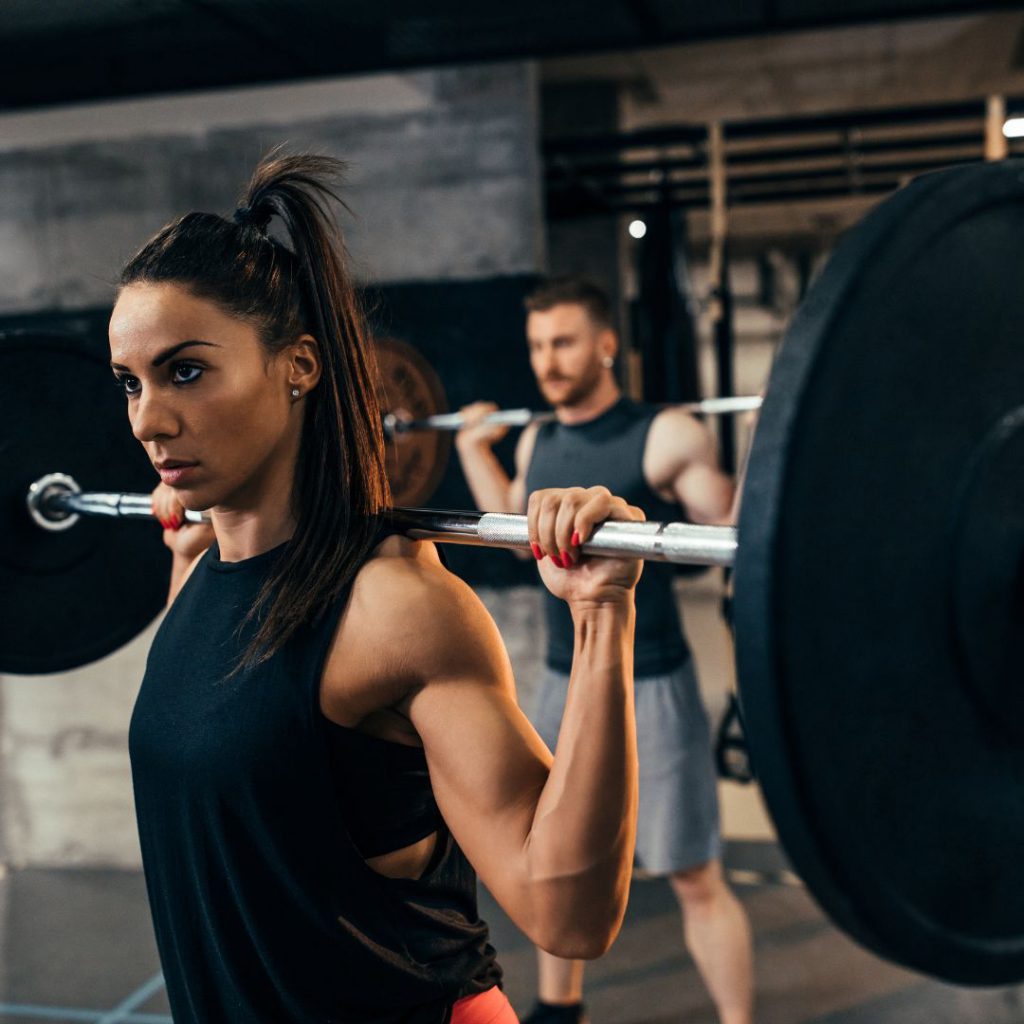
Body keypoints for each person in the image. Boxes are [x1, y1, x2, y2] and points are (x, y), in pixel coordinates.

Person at [111, 155, 648, 1024]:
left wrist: (600, 613)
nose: (146, 419)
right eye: (130, 383)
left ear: (300, 366)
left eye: (185, 371)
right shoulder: (203, 579)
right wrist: (187, 549)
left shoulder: (395, 606)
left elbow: (571, 913)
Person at [455, 277, 755, 1024]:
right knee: (556, 856)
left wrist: (777, 439)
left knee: (692, 875)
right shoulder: (538, 438)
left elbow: (731, 530)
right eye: (536, 346)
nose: (547, 362)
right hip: (562, 679)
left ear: (606, 345)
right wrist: (469, 447)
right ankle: (561, 1010)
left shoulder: (666, 433)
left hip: (652, 680)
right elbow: (524, 537)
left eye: (562, 342)